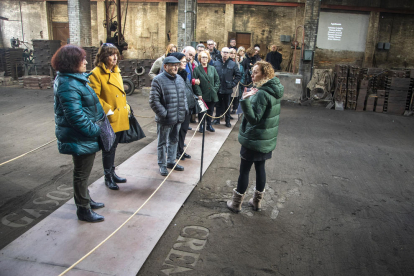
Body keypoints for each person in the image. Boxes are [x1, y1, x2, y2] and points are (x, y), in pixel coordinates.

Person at [52, 44, 105, 222]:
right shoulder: (68, 84)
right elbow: (75, 116)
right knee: (81, 173)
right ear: (71, 62)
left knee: (83, 172)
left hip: (84, 136)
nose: (86, 61)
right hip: (80, 136)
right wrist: (95, 130)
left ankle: (86, 200)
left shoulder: (74, 79)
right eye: (82, 59)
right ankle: (83, 209)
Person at [227, 61, 284, 213]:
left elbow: (254, 119)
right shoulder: (273, 90)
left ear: (265, 75)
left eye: (256, 72)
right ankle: (257, 202)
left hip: (254, 139)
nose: (252, 75)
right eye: (252, 72)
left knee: (244, 170)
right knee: (260, 168)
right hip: (266, 138)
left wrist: (245, 100)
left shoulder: (262, 93)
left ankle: (236, 203)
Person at [89, 43, 129, 191]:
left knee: (114, 146)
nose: (114, 57)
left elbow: (121, 94)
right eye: (111, 54)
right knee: (108, 148)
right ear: (103, 57)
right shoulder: (96, 73)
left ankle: (112, 172)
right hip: (108, 117)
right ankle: (108, 177)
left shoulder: (116, 71)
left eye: (116, 54)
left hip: (119, 115)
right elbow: (94, 97)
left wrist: (127, 107)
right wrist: (108, 110)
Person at [149, 56, 188, 176]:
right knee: (162, 142)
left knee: (174, 140)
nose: (176, 67)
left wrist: (184, 109)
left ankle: (171, 161)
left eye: (177, 65)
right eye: (172, 65)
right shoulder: (158, 80)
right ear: (165, 66)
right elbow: (153, 101)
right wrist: (164, 114)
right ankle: (162, 164)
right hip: (165, 119)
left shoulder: (180, 79)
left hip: (178, 117)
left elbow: (184, 96)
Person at [168, 52, 196, 160]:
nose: (185, 63)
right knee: (176, 132)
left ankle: (180, 150)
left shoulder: (184, 73)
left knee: (183, 130)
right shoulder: (174, 76)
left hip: (187, 106)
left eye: (185, 61)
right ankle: (175, 152)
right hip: (178, 108)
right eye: (183, 61)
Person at [212, 47, 241, 128]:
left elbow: (238, 75)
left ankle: (227, 121)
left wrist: (232, 84)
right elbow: (212, 75)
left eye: (227, 52)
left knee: (227, 105)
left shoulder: (232, 64)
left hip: (227, 88)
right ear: (221, 53)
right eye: (224, 52)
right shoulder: (216, 63)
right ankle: (217, 119)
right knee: (218, 104)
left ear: (229, 54)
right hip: (218, 88)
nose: (225, 54)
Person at [193, 50, 220, 133]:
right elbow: (196, 83)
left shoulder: (212, 68)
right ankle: (201, 125)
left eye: (205, 57)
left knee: (210, 110)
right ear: (200, 59)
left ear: (208, 58)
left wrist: (214, 90)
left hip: (212, 94)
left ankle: (209, 125)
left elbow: (217, 80)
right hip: (202, 94)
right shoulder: (197, 69)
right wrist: (199, 94)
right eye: (202, 57)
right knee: (202, 111)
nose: (204, 59)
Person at [230, 48, 245, 115]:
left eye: (234, 53)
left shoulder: (237, 63)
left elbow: (239, 72)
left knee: (235, 96)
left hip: (235, 81)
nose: (233, 55)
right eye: (231, 53)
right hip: (229, 81)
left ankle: (234, 108)